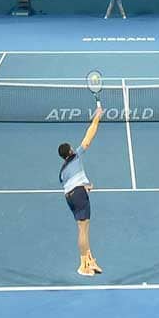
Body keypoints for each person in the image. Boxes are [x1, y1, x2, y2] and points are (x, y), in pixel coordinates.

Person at [59, 103, 106, 278]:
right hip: (79, 195)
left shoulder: (63, 171)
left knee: (83, 228)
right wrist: (97, 117)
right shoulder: (76, 155)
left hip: (70, 197)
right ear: (70, 151)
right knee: (83, 230)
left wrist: (85, 185)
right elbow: (90, 134)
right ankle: (83, 265)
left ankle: (90, 260)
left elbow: (70, 184)